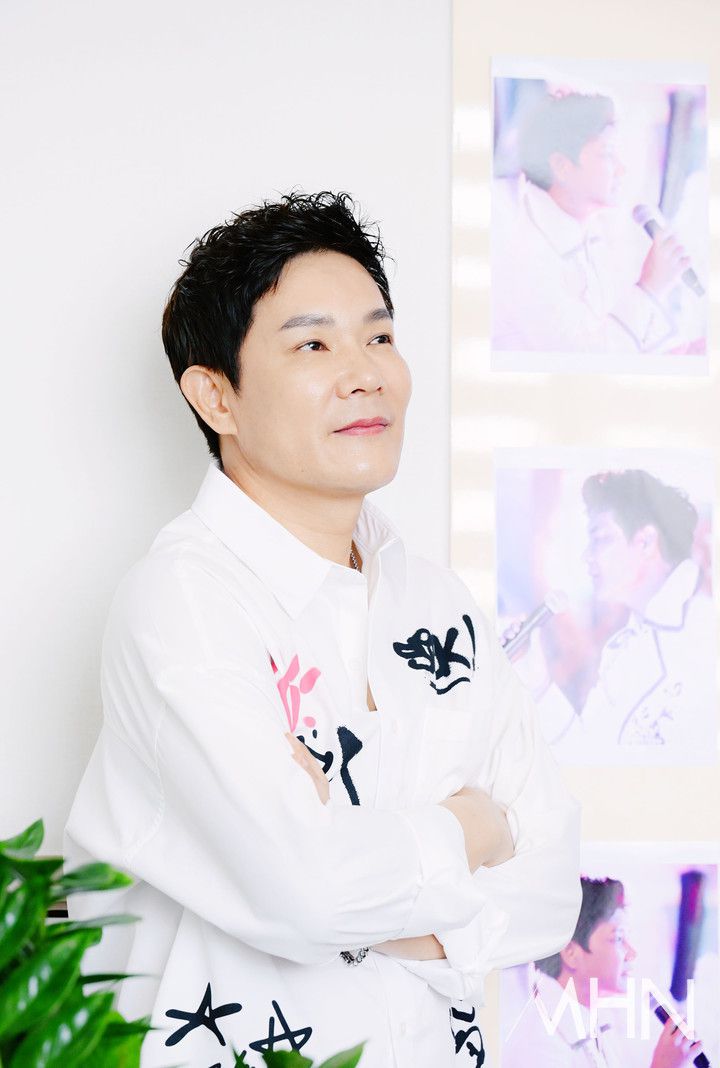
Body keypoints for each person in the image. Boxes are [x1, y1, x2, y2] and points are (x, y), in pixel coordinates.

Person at [64, 191, 581, 1067]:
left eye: (379, 337)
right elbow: (308, 890)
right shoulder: (182, 603)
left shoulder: (438, 602)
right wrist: (472, 829)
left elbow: (553, 889)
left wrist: (367, 891)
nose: (365, 373)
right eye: (313, 345)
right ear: (216, 396)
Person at [509, 468, 715, 764]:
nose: (587, 557)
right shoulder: (621, 649)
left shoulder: (706, 626)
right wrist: (537, 681)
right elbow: (588, 751)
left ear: (645, 542)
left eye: (600, 539)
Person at [492, 91, 699, 358]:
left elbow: (620, 337)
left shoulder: (591, 233)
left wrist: (681, 355)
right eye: (607, 154)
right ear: (562, 166)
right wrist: (650, 287)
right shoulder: (517, 242)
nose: (621, 170)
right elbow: (582, 359)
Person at [503, 876, 705, 1067]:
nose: (631, 953)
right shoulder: (538, 1046)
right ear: (571, 952)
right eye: (618, 938)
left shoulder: (595, 1024)